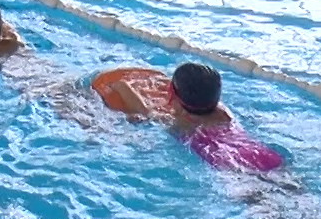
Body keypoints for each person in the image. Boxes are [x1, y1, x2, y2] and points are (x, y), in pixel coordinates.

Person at [95, 62, 285, 174]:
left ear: (171, 93)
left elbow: (144, 112)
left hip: (229, 164)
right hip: (264, 155)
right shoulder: (224, 112)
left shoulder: (181, 124)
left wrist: (122, 86)